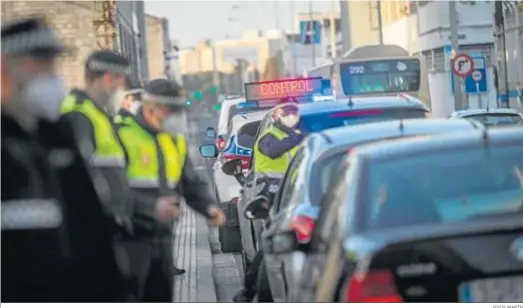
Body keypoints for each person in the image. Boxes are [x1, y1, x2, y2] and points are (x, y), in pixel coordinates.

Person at [1, 17, 124, 302]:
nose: (50, 74)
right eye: (39, 62)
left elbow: (88, 223)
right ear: (4, 67)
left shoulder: (57, 136)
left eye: (51, 63)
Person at [60, 50, 181, 301]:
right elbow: (86, 185)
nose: (123, 88)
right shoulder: (79, 116)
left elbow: (116, 181)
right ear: (108, 79)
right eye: (121, 80)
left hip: (119, 232)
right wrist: (150, 208)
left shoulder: (100, 117)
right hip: (99, 240)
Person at [114, 78, 226, 302]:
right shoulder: (121, 134)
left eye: (178, 110)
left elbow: (190, 181)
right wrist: (150, 207)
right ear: (151, 108)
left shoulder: (174, 139)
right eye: (170, 110)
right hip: (128, 239)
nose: (176, 116)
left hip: (162, 238)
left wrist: (208, 207)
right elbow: (109, 189)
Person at [233, 102, 305, 302]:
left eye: (294, 114)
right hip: (272, 197)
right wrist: (299, 137)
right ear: (278, 118)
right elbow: (273, 150)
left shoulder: (302, 135)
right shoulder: (269, 136)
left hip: (300, 195)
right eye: (287, 114)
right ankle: (249, 289)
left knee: (273, 246)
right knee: (270, 246)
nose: (291, 118)